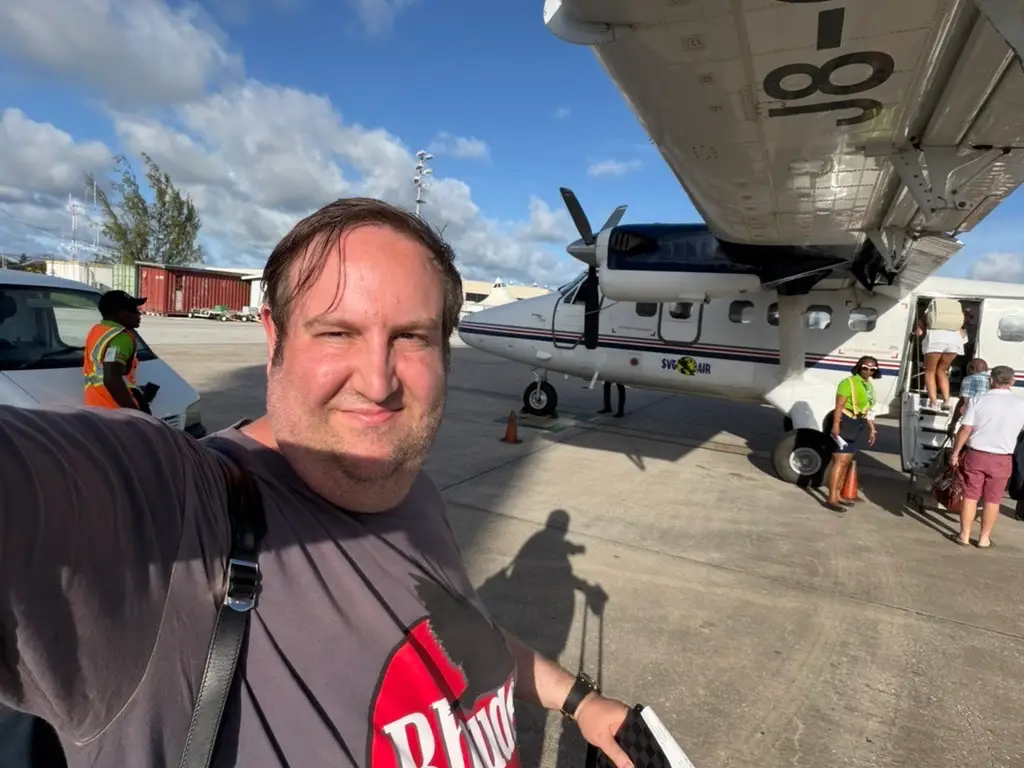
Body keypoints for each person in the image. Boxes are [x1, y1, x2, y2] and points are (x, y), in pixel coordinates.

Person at [0, 198, 635, 768]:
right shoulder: (175, 507)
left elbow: (460, 636)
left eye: (412, 337)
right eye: (337, 331)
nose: (379, 381)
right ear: (273, 336)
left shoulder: (414, 492)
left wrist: (577, 700)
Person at [949, 365, 1024, 548]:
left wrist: (955, 453)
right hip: (1002, 458)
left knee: (970, 495)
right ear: (1013, 381)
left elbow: (966, 429)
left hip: (976, 455)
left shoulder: (978, 400)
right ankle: (984, 538)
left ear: (991, 380)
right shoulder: (1021, 404)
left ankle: (964, 535)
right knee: (993, 499)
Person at [825, 356, 879, 511]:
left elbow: (868, 409)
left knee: (846, 462)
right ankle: (831, 498)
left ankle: (838, 495)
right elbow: (839, 406)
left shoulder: (868, 385)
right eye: (865, 368)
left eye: (872, 369)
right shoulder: (848, 383)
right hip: (846, 422)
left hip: (858, 424)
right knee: (839, 461)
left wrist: (872, 428)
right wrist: (836, 425)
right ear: (859, 367)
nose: (868, 371)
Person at [83, 289, 149, 411]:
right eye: (133, 310)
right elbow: (111, 379)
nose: (139, 314)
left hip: (96, 406)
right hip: (116, 410)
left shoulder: (98, 331)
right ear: (118, 313)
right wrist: (134, 412)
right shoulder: (121, 337)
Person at [915, 305, 966, 411]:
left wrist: (919, 324)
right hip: (954, 344)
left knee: (930, 371)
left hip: (935, 343)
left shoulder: (928, 318)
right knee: (942, 370)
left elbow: (918, 333)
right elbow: (963, 336)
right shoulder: (955, 321)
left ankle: (933, 402)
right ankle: (947, 400)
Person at [950, 357, 989, 433]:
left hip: (974, 420)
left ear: (972, 369)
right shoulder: (993, 380)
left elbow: (963, 403)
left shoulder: (970, 379)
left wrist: (953, 423)